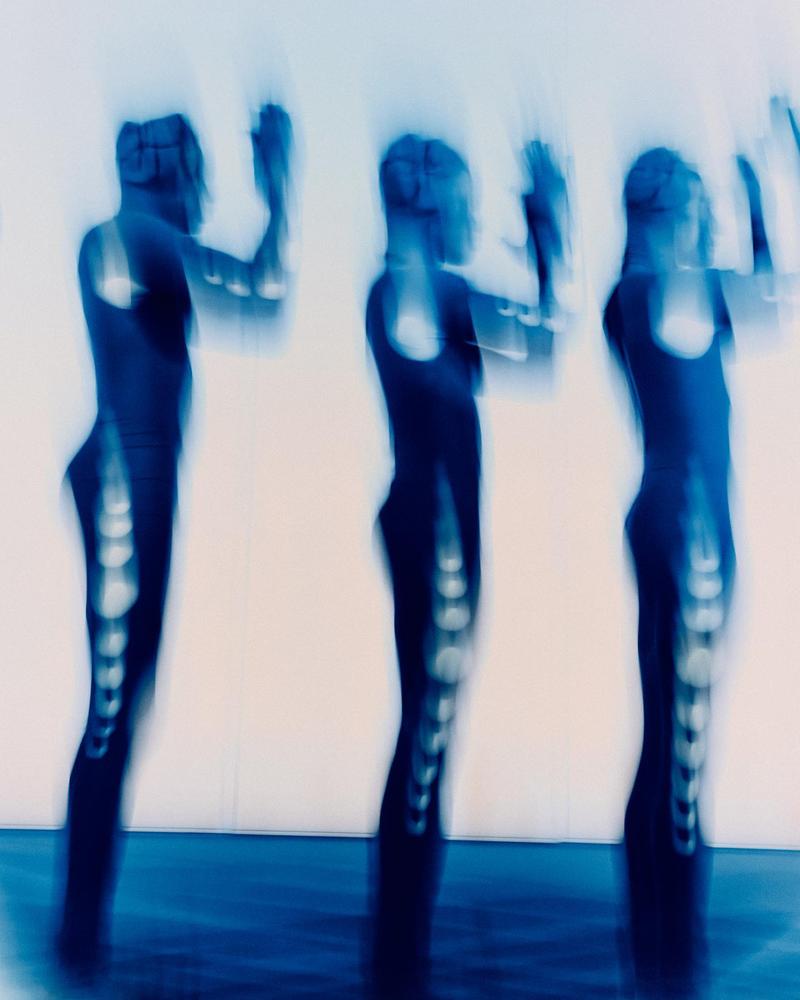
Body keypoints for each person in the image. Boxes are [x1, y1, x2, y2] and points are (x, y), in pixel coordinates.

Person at [57, 104, 292, 978]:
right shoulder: (136, 238)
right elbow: (261, 294)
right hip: (129, 480)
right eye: (195, 171)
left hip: (131, 478)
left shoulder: (132, 242)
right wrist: (280, 192)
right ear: (159, 169)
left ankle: (82, 931)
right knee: (115, 709)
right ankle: (78, 938)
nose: (202, 191)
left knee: (120, 707)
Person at [366, 132, 566, 998]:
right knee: (429, 735)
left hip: (431, 523)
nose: (472, 216)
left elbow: (529, 349)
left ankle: (399, 947)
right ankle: (397, 957)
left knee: (428, 732)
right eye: (461, 197)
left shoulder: (411, 295)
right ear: (424, 200)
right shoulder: (423, 290)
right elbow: (540, 341)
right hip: (440, 531)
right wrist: (549, 230)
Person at [603, 146, 769, 998]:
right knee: (682, 749)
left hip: (678, 522)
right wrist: (763, 200)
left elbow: (761, 301)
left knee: (672, 740)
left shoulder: (638, 297)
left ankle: (659, 943)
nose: (708, 223)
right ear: (668, 211)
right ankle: (671, 954)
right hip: (690, 530)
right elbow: (768, 295)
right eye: (697, 207)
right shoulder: (657, 291)